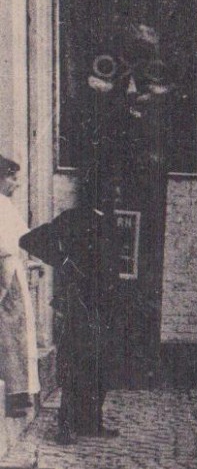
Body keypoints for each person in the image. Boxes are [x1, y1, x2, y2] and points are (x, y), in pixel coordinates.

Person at [21, 202, 120, 439]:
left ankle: (91, 423)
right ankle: (66, 426)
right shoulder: (75, 216)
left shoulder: (109, 219)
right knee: (75, 362)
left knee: (99, 364)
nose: (114, 196)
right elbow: (30, 240)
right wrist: (63, 261)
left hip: (103, 303)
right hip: (78, 302)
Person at [0, 156, 39, 417]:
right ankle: (14, 393)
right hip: (6, 273)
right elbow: (5, 247)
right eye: (11, 177)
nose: (15, 183)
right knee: (11, 331)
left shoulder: (6, 205)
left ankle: (19, 392)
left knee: (18, 332)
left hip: (13, 270)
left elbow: (24, 239)